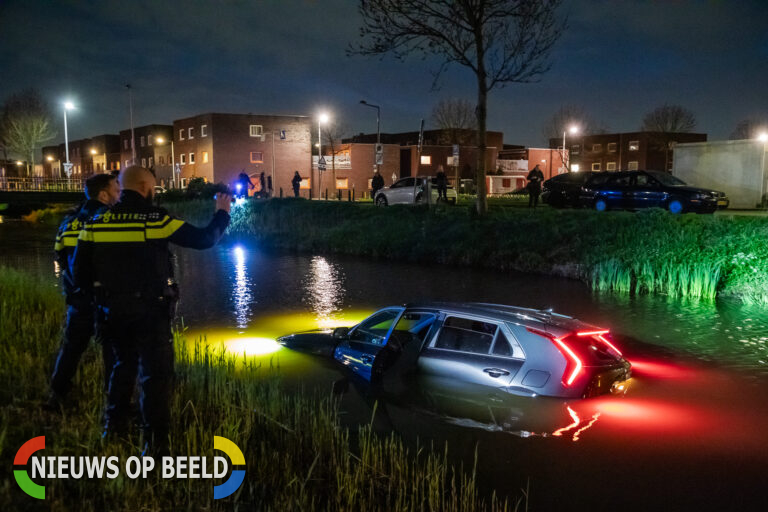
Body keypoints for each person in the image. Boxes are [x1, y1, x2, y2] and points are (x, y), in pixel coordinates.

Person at [73, 166, 231, 455]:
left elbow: (78, 272)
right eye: (154, 188)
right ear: (146, 187)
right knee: (155, 378)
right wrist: (222, 212)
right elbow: (205, 240)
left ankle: (113, 428)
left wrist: (100, 298)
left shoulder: (95, 222)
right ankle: (155, 446)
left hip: (112, 312)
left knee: (121, 368)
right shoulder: (155, 220)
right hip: (150, 313)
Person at [47, 173, 121, 410]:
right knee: (113, 351)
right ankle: (114, 402)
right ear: (103, 194)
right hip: (105, 300)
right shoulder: (109, 220)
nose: (119, 194)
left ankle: (57, 395)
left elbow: (59, 253)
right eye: (116, 189)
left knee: (71, 349)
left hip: (78, 299)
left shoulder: (68, 223)